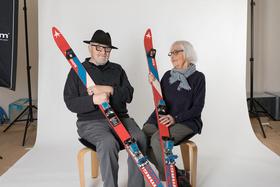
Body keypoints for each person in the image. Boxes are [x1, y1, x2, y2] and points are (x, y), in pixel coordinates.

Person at [63, 29, 146, 187]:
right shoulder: (77, 71)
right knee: (108, 143)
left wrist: (109, 89)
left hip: (121, 119)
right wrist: (93, 99)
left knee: (140, 138)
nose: (103, 52)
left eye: (107, 49)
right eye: (98, 48)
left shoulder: (117, 69)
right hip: (91, 122)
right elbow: (70, 102)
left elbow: (129, 94)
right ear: (90, 48)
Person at [143, 40, 205, 181]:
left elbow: (197, 108)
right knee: (141, 140)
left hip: (187, 121)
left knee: (157, 140)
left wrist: (174, 118)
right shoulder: (167, 76)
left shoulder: (198, 78)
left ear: (187, 53)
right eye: (171, 53)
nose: (172, 56)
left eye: (177, 52)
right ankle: (175, 172)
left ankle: (169, 180)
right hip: (163, 118)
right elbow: (161, 101)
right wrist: (154, 84)